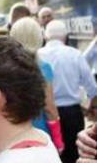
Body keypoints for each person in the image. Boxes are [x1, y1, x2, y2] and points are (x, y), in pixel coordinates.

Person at [39, 20, 97, 163]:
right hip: (72, 113)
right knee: (75, 158)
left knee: (51, 158)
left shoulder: (38, 56)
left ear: (46, 36)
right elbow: (92, 88)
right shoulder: (75, 55)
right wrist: (91, 108)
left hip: (46, 114)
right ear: (65, 36)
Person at [10, 17, 64, 152]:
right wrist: (58, 141)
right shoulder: (43, 68)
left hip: (10, 135)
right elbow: (49, 108)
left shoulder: (5, 68)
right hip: (39, 135)